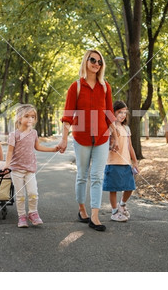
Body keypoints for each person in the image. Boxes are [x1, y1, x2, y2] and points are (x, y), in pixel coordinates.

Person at [58, 49, 118, 232]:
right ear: (86, 61)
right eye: (93, 60)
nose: (96, 64)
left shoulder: (105, 87)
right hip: (81, 137)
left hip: (102, 137)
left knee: (97, 177)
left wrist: (115, 135)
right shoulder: (75, 86)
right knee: (82, 175)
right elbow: (68, 115)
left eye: (99, 62)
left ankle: (95, 216)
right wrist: (64, 138)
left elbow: (109, 113)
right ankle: (82, 209)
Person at [3, 104, 59, 228]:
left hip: (30, 169)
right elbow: (10, 151)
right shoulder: (14, 135)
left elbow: (37, 147)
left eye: (33, 117)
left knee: (33, 193)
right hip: (17, 169)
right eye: (27, 116)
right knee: (20, 195)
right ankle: (22, 216)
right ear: (19, 118)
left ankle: (33, 213)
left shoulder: (34, 133)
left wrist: (53, 149)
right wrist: (7, 165)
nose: (30, 119)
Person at [103, 100, 139, 222]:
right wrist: (111, 146)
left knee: (130, 187)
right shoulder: (109, 128)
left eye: (125, 112)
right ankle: (114, 212)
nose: (123, 115)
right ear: (113, 113)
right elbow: (105, 145)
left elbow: (130, 147)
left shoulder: (126, 128)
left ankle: (122, 205)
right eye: (119, 112)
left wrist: (135, 161)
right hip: (113, 163)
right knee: (113, 189)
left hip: (126, 163)